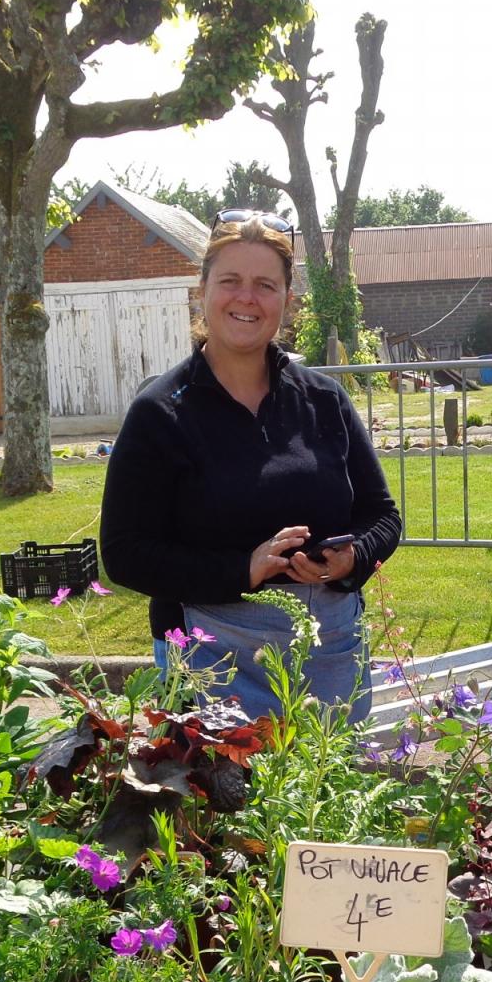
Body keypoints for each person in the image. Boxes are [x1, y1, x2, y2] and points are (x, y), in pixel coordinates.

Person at [100, 211, 402, 723]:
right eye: (231, 281)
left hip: (327, 650)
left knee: (322, 798)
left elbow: (383, 516)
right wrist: (241, 570)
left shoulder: (324, 400)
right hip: (208, 659)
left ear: (286, 299)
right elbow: (125, 554)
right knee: (220, 799)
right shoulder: (161, 411)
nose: (247, 298)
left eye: (265, 284)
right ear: (202, 291)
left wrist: (351, 560)